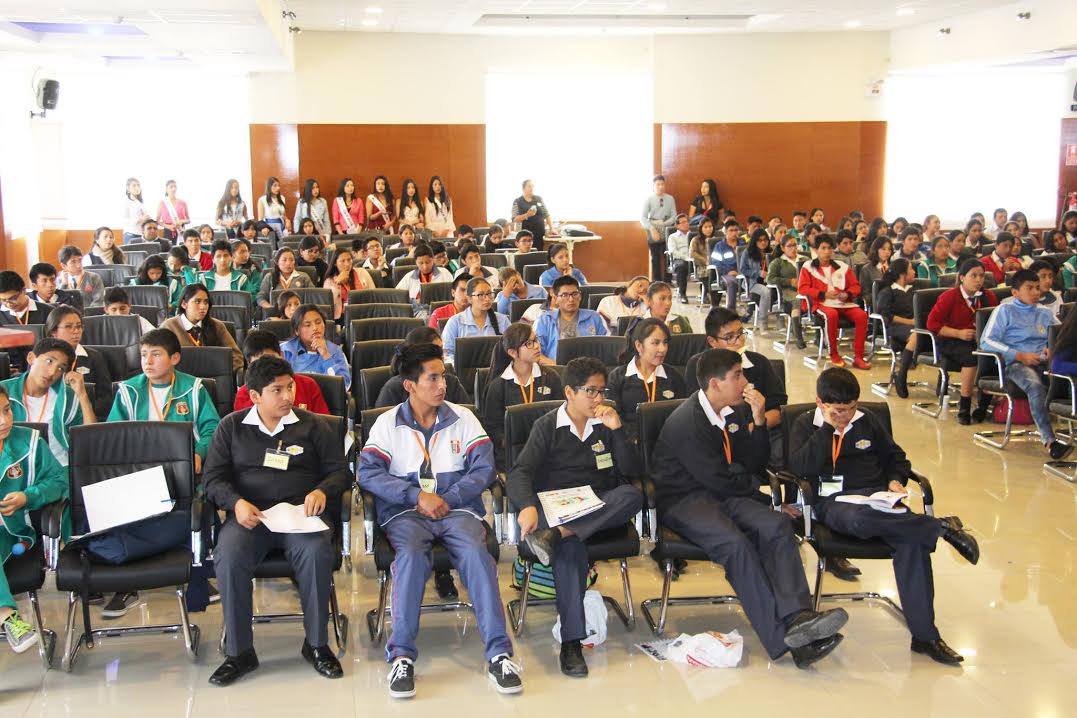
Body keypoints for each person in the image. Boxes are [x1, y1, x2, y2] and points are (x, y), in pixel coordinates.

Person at [652, 348, 848, 668]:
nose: (745, 381)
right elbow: (716, 478)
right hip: (685, 498)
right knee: (735, 545)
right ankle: (784, 641)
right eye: (738, 375)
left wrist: (757, 420)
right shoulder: (687, 422)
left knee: (776, 526)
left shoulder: (736, 409)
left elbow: (755, 464)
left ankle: (799, 618)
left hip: (724, 492)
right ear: (715, 384)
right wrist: (764, 500)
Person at [359, 343, 523, 698]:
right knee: (410, 558)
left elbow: (484, 469)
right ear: (410, 385)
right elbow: (367, 473)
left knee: (478, 556)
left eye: (443, 376)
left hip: (457, 509)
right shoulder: (388, 424)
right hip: (406, 513)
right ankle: (401, 656)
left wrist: (444, 499)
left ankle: (499, 654)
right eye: (432, 378)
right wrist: (416, 496)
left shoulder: (463, 418)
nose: (441, 385)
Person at [789, 367, 980, 665]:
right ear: (820, 402)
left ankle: (925, 637)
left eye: (852, 408)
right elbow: (799, 468)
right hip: (833, 502)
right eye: (839, 410)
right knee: (859, 521)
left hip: (878, 498)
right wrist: (828, 429)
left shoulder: (868, 421)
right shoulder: (806, 425)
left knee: (911, 542)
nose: (847, 416)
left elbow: (897, 459)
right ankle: (941, 528)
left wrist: (895, 480)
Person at [203, 356, 349, 685]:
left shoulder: (314, 425)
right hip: (252, 515)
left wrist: (323, 491)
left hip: (301, 515)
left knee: (314, 554)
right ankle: (240, 652)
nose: (288, 396)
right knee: (229, 554)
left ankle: (316, 644)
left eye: (290, 387)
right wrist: (236, 503)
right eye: (277, 390)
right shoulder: (232, 427)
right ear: (254, 396)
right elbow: (212, 479)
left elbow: (340, 472)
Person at [506, 356, 643, 677]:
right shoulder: (548, 426)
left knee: (632, 495)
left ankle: (559, 534)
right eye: (591, 392)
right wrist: (526, 505)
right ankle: (571, 643)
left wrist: (618, 431)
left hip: (598, 507)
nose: (598, 399)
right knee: (569, 551)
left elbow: (633, 471)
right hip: (556, 507)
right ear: (569, 392)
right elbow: (520, 473)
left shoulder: (607, 424)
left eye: (602, 391)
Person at [106, 329, 220, 617]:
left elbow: (212, 429)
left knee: (198, 506)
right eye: (144, 354)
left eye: (156, 354)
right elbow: (112, 437)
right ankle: (127, 585)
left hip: (183, 477)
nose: (148, 361)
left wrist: (199, 453)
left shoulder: (193, 389)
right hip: (139, 478)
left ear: (175, 358)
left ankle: (197, 574)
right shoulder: (129, 391)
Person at [0, 387, 67, 654]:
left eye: (6, 410)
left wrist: (28, 497)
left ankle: (7, 615)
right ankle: (7, 617)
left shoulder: (29, 442)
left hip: (13, 531)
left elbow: (59, 482)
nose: (4, 420)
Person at [980, 269, 1069, 459]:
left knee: (1070, 380)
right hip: (1016, 365)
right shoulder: (1005, 311)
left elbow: (1061, 336)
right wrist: (1018, 355)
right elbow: (986, 341)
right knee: (1035, 386)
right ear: (1015, 293)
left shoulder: (1045, 313)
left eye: (1037, 288)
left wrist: (1050, 348)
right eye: (1030, 288)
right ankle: (1050, 441)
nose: (1036, 292)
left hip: (1045, 363)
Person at [2, 337, 95, 467]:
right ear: (31, 358)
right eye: (49, 361)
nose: (52, 372)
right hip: (13, 466)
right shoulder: (5, 392)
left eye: (60, 368)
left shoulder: (67, 396)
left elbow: (89, 441)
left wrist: (82, 395)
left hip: (57, 468)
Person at [925, 259, 997, 424]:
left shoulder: (988, 297)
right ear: (962, 277)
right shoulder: (950, 296)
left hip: (978, 340)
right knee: (971, 358)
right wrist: (958, 333)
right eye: (974, 276)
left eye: (981, 276)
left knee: (991, 358)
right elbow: (932, 324)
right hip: (951, 340)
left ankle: (982, 406)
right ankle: (964, 406)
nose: (978, 280)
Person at [482, 323, 563, 470]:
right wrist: (513, 445)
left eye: (536, 340)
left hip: (549, 452)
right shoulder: (499, 386)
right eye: (529, 344)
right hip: (514, 456)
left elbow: (563, 415)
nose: (537, 346)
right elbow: (493, 428)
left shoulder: (551, 377)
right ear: (513, 353)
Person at [797, 234, 870, 370]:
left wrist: (847, 294)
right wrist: (823, 294)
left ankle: (859, 357)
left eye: (829, 248)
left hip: (842, 302)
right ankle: (834, 354)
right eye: (823, 248)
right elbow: (803, 289)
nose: (826, 252)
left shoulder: (842, 266)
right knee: (831, 315)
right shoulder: (808, 267)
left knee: (862, 315)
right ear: (817, 250)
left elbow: (856, 286)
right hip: (821, 303)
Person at [606, 318, 686, 444]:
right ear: (639, 345)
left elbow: (683, 415)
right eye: (656, 343)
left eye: (665, 342)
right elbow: (614, 416)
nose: (663, 349)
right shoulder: (617, 377)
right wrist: (634, 439)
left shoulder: (674, 376)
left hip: (667, 443)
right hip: (630, 444)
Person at [374, 327, 470, 409]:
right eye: (434, 351)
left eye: (441, 349)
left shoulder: (452, 382)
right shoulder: (393, 388)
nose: (441, 356)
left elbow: (468, 417)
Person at [234, 331, 328, 414]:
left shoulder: (308, 385)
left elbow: (324, 425)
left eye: (270, 360)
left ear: (281, 356)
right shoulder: (245, 394)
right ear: (250, 365)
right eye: (259, 363)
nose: (266, 368)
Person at [45, 306, 112, 419]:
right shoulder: (41, 359)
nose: (76, 331)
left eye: (78, 326)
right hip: (50, 416)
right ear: (53, 332)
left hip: (86, 416)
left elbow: (105, 397)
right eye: (68, 327)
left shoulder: (94, 357)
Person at [160, 283, 243, 372]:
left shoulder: (217, 326)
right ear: (184, 304)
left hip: (213, 379)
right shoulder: (169, 327)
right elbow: (161, 359)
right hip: (182, 380)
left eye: (206, 302)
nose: (203, 307)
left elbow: (237, 357)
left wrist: (218, 373)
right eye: (197, 301)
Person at [534, 276, 608, 364]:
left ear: (580, 296)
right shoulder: (546, 320)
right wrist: (557, 367)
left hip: (588, 370)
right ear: (556, 299)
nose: (571, 299)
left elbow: (604, 349)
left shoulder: (593, 317)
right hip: (555, 370)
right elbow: (536, 354)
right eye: (565, 295)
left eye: (575, 294)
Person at [875, 259, 919, 398]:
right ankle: (902, 375)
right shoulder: (888, 292)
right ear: (902, 274)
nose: (914, 272)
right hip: (894, 328)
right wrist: (910, 322)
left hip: (915, 326)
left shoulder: (915, 291)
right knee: (916, 335)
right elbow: (886, 315)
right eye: (911, 269)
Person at [280, 306, 351, 389]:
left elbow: (344, 386)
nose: (315, 328)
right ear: (296, 331)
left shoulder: (335, 351)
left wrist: (326, 355)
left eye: (318, 322)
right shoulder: (285, 351)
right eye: (307, 325)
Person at [441, 278, 510, 364]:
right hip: (462, 373)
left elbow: (512, 349)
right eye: (481, 295)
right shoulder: (455, 322)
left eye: (489, 294)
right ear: (469, 299)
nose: (487, 299)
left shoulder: (503, 320)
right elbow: (447, 353)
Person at [0, 272, 53, 372]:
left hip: (44, 369)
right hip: (10, 372)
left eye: (13, 298)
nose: (8, 304)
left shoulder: (48, 312)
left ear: (24, 290)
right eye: (3, 300)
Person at [767, 235, 806, 348]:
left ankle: (819, 338)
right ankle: (798, 337)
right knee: (797, 300)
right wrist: (789, 281)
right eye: (790, 246)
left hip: (805, 290)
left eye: (795, 245)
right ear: (783, 248)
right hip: (787, 292)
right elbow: (769, 279)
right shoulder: (778, 262)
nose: (793, 248)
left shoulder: (804, 259)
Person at [322, 246, 375, 321]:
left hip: (364, 313)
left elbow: (373, 294)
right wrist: (337, 283)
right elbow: (329, 306)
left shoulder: (362, 272)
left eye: (349, 260)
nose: (347, 264)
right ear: (335, 263)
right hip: (342, 318)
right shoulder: (329, 281)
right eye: (342, 261)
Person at [641, 175, 677, 281]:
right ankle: (656, 281)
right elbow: (642, 217)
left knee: (668, 255)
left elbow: (674, 216)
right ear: (653, 186)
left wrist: (664, 224)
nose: (660, 186)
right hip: (653, 228)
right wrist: (652, 228)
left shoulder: (670, 199)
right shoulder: (648, 199)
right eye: (658, 184)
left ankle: (668, 280)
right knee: (655, 257)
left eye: (662, 184)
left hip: (667, 227)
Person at [257, 247, 314, 314]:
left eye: (291, 260)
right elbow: (260, 297)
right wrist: (271, 310)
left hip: (299, 313)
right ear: (277, 262)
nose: (288, 263)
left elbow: (312, 297)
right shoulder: (270, 277)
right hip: (276, 314)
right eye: (284, 260)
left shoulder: (303, 277)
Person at [395, 243, 454, 307]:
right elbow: (398, 297)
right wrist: (414, 301)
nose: (425, 267)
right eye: (421, 263)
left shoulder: (445, 273)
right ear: (416, 262)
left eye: (428, 262)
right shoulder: (409, 277)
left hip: (441, 307)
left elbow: (454, 293)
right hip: (417, 310)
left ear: (433, 259)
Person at [740, 228, 774, 325]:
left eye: (765, 240)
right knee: (765, 292)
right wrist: (757, 272)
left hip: (769, 281)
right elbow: (743, 269)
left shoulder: (771, 252)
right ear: (755, 241)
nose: (763, 242)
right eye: (760, 240)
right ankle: (763, 321)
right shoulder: (748, 252)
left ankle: (781, 321)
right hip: (753, 282)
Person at [511, 179, 555, 251]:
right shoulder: (517, 201)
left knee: (538, 253)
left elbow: (546, 214)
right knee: (525, 255)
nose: (532, 188)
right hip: (524, 235)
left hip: (539, 233)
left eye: (533, 186)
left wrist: (551, 228)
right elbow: (514, 219)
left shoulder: (539, 199)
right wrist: (527, 215)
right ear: (523, 188)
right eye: (529, 186)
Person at [709, 219, 743, 311]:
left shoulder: (743, 245)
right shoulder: (719, 246)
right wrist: (728, 272)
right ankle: (731, 311)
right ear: (725, 232)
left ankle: (751, 312)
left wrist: (739, 272)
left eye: (736, 230)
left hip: (742, 273)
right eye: (731, 230)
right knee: (731, 282)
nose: (734, 233)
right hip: (726, 275)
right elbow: (716, 263)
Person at [666, 213, 693, 303]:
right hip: (680, 259)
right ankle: (682, 294)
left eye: (687, 221)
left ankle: (705, 295)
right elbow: (673, 251)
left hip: (694, 258)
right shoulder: (672, 237)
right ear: (677, 225)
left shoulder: (694, 235)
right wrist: (685, 257)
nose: (686, 224)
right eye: (683, 222)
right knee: (681, 266)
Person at [230, 238, 263, 303]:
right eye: (242, 252)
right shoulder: (226, 267)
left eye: (246, 251)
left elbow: (256, 290)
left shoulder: (254, 268)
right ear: (232, 254)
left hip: (248, 301)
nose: (246, 255)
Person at [690, 218, 716, 285]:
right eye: (706, 227)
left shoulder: (716, 239)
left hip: (715, 265)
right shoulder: (696, 240)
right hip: (702, 267)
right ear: (701, 228)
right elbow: (692, 253)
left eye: (710, 226)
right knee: (710, 272)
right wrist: (705, 260)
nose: (708, 229)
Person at [122, 177, 149, 241]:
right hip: (131, 234)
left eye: (138, 185)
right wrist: (139, 220)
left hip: (142, 234)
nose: (137, 187)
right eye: (134, 185)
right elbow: (125, 220)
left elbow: (144, 216)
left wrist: (147, 218)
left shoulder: (141, 202)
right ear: (128, 188)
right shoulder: (126, 202)